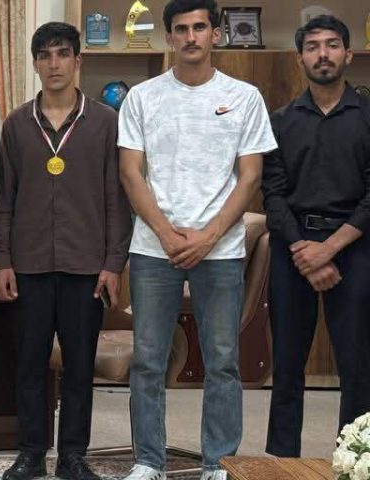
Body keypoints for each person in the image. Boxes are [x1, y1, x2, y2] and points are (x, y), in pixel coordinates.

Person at [116, 1, 277, 478]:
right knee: (148, 360)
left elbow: (250, 177)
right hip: (153, 248)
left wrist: (207, 237)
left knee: (223, 361)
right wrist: (167, 233)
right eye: (181, 29)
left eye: (200, 27)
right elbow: (130, 173)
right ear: (169, 37)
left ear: (216, 34)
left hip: (220, 250)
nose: (191, 37)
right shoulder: (142, 97)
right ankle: (148, 460)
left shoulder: (244, 96)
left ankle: (217, 461)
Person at [0, 22, 131, 480]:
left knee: (79, 365)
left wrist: (113, 264)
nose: (54, 64)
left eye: (62, 54)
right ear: (35, 64)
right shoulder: (17, 124)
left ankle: (73, 454)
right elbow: (4, 199)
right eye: (45, 55)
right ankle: (31, 452)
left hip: (85, 266)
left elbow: (117, 200)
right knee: (30, 363)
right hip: (29, 264)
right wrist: (2, 259)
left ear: (78, 61)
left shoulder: (106, 122)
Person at [263, 15, 370, 458]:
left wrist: (329, 248)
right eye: (312, 47)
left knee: (358, 366)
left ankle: (356, 460)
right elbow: (272, 193)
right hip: (294, 248)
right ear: (300, 58)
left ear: (348, 54)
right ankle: (281, 461)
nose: (322, 54)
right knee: (287, 363)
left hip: (356, 246)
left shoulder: (367, 117)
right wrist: (304, 251)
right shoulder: (281, 120)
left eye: (331, 45)